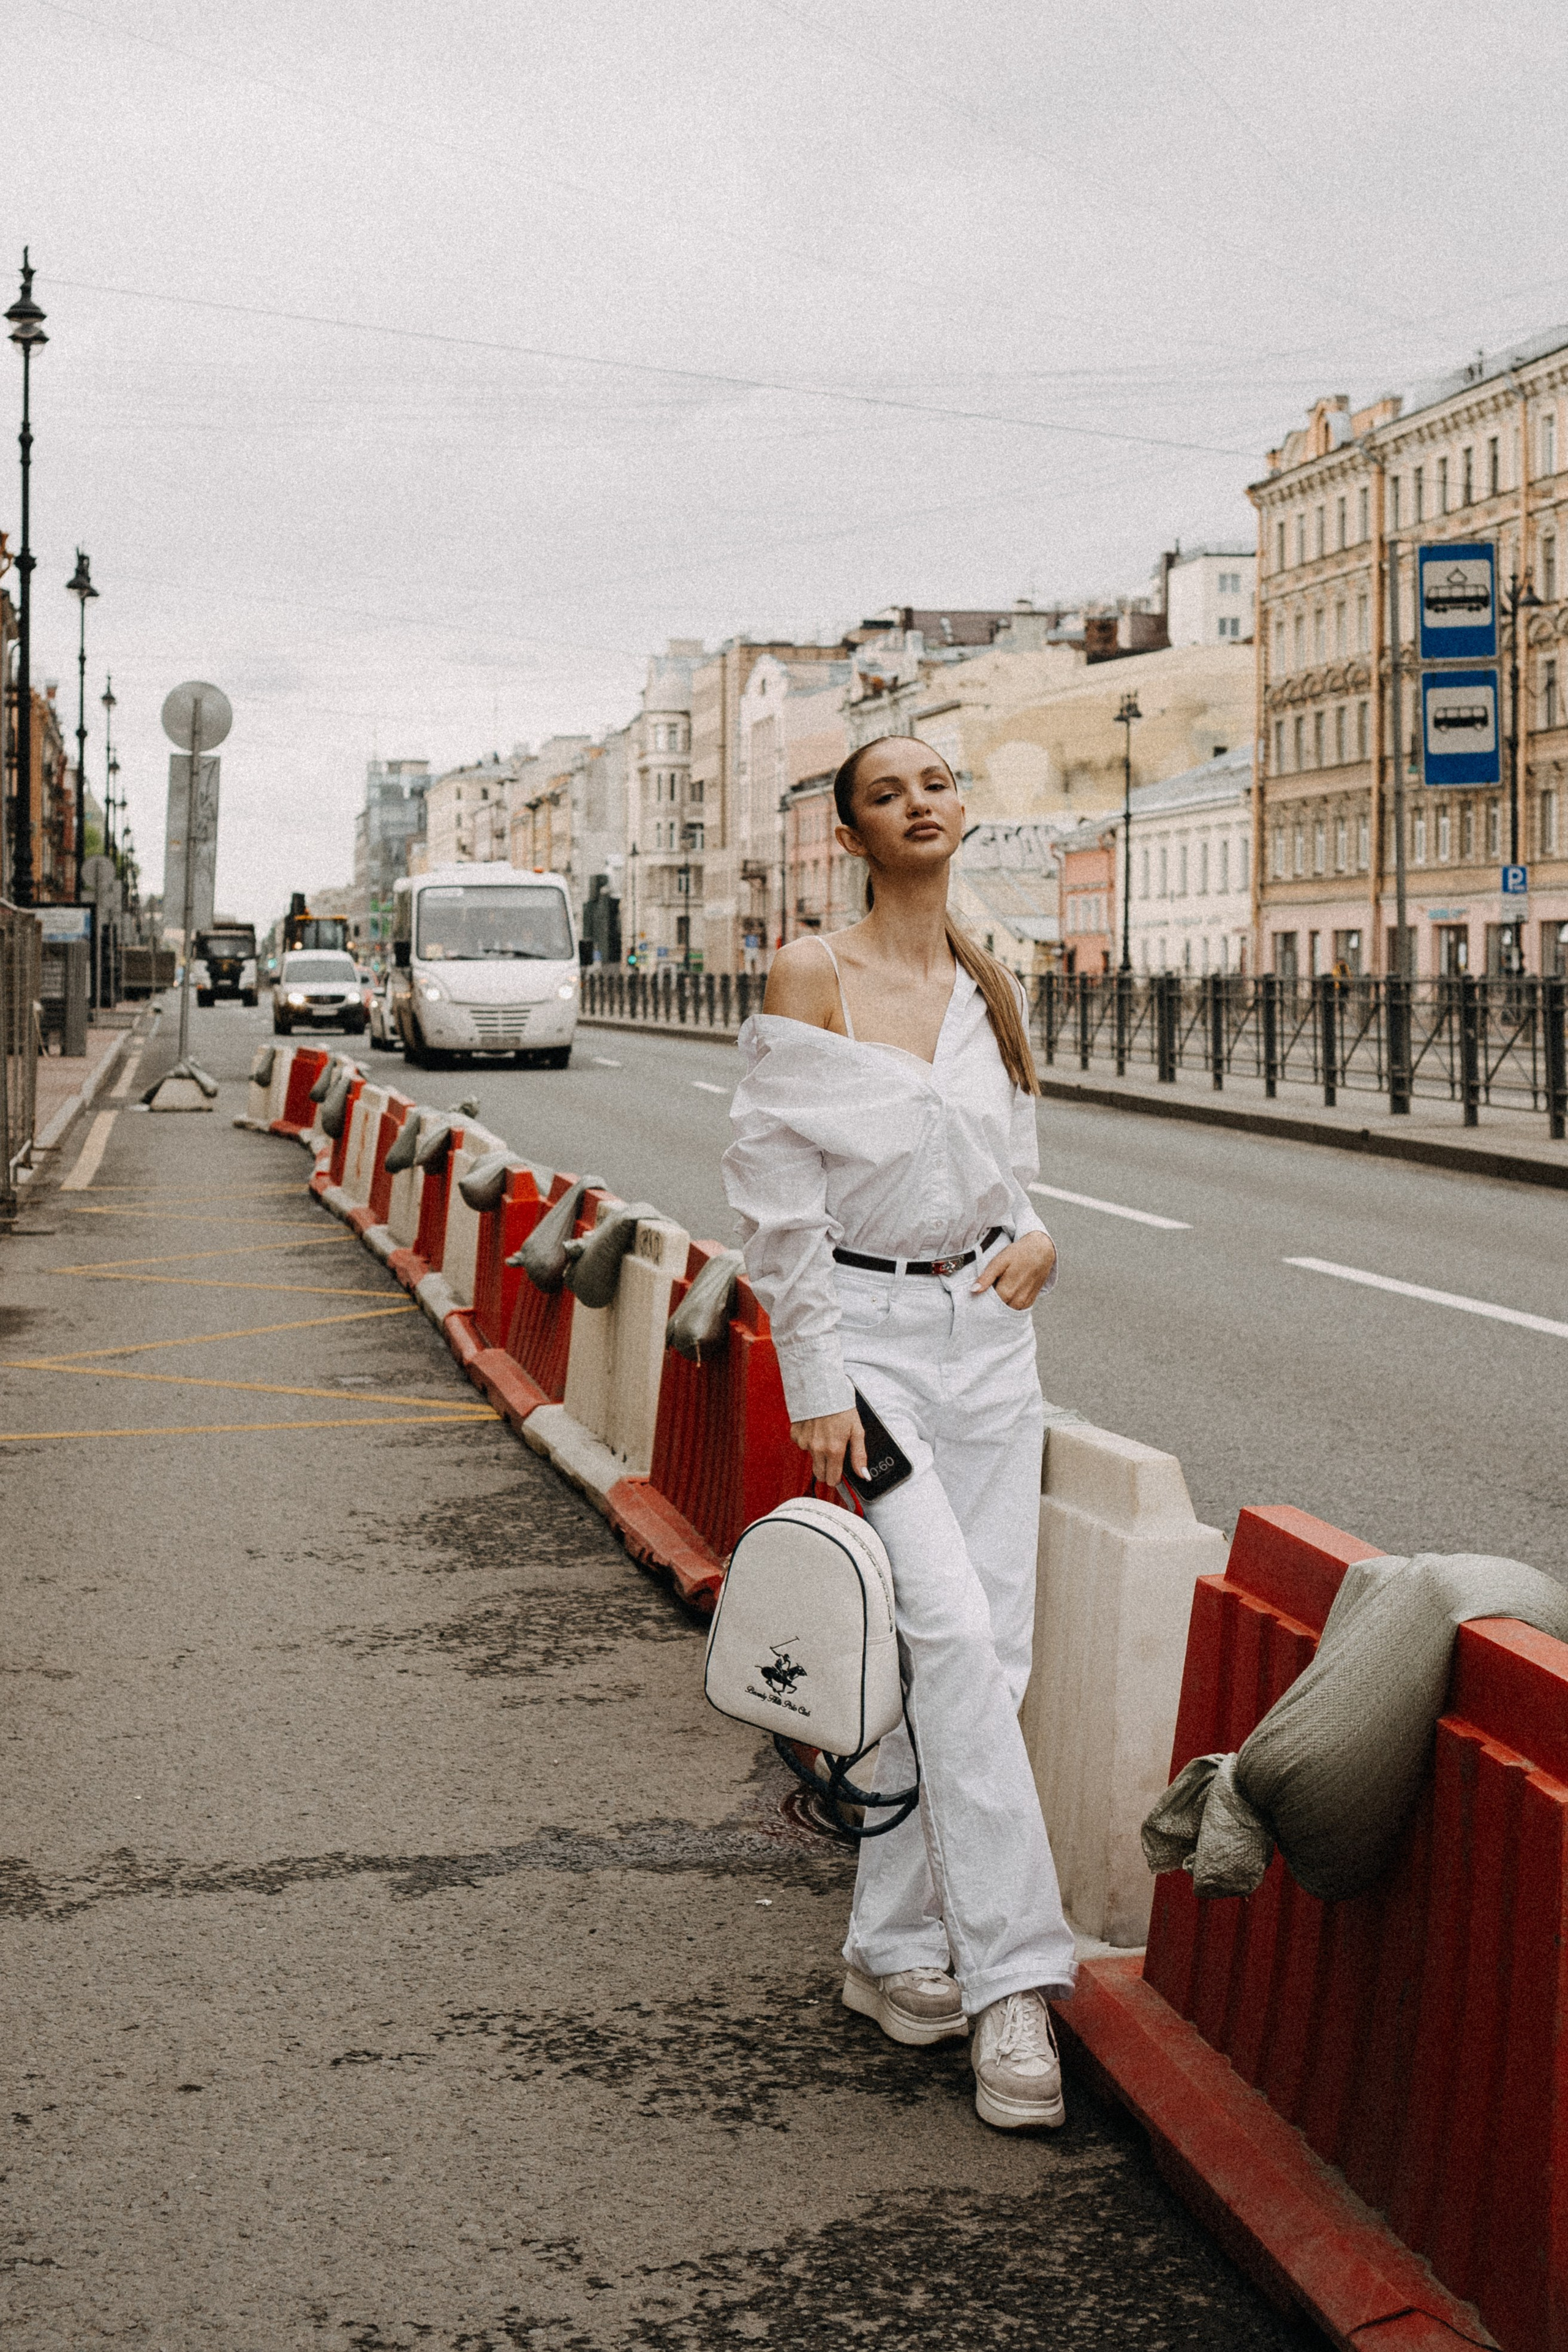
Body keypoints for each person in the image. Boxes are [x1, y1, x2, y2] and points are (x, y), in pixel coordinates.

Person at [722, 734, 1076, 2133]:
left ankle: (886, 1946)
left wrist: (1038, 1238)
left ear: (961, 811)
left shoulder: (988, 977)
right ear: (851, 836)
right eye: (886, 792)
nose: (919, 801)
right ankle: (1012, 1986)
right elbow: (772, 1189)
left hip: (988, 1343)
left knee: (1001, 1646)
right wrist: (812, 1376)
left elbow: (1009, 1172)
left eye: (935, 782)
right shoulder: (813, 972)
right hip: (866, 1352)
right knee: (950, 1635)